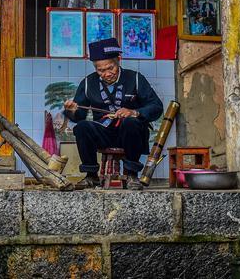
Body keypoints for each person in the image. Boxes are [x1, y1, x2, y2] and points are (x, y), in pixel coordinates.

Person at [63, 37, 164, 190]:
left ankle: (131, 175)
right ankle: (91, 176)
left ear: (118, 60)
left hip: (130, 134)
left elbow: (156, 106)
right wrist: (71, 111)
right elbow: (79, 117)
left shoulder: (135, 78)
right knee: (83, 127)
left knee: (131, 123)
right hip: (104, 134)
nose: (106, 73)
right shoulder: (88, 83)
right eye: (100, 70)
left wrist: (135, 112)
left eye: (110, 68)